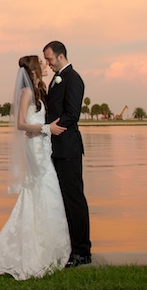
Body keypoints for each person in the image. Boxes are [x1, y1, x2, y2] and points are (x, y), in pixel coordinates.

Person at [0, 55, 71, 279]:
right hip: (35, 148)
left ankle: (47, 247)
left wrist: (46, 131)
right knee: (43, 189)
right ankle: (38, 250)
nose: (45, 65)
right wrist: (46, 128)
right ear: (33, 69)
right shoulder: (26, 93)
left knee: (45, 192)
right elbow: (20, 124)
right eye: (41, 63)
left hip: (41, 146)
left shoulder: (37, 92)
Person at [42, 40, 92, 267]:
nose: (47, 63)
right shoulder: (56, 79)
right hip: (56, 149)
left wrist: (49, 129)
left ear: (60, 56)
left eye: (49, 59)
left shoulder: (73, 78)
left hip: (68, 148)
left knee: (74, 200)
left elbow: (72, 114)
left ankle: (82, 251)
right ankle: (69, 248)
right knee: (62, 200)